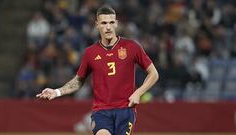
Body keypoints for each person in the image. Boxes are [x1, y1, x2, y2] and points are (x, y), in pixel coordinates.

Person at [36, 5, 159, 135]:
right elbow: (78, 81)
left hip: (125, 110)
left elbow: (154, 74)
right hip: (101, 111)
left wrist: (138, 92)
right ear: (97, 25)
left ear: (116, 24)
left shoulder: (132, 47)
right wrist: (57, 92)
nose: (108, 27)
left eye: (111, 22)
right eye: (104, 23)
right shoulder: (90, 53)